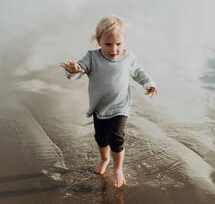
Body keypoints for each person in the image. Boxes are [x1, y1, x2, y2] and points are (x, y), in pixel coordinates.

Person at [60, 15, 158, 188]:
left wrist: (149, 84)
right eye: (108, 44)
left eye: (119, 44)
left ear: (124, 41)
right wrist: (73, 70)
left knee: (116, 138)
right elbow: (78, 70)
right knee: (101, 138)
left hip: (121, 107)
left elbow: (139, 72)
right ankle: (105, 159)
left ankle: (118, 168)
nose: (114, 49)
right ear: (99, 41)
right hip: (100, 108)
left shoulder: (129, 58)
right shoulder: (92, 57)